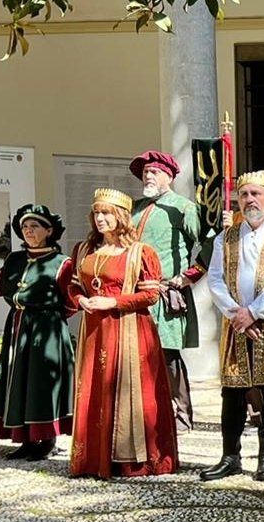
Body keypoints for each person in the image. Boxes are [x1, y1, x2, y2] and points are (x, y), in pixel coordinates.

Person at [68, 188, 179, 479]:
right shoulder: (83, 250)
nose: (100, 219)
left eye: (106, 213)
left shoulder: (140, 253)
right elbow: (73, 285)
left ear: (121, 217)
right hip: (94, 330)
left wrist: (113, 301)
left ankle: (132, 460)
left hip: (130, 330)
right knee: (95, 388)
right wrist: (80, 300)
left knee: (131, 391)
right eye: (96, 213)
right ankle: (94, 458)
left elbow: (151, 296)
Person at [201, 170, 264, 482]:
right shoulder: (227, 235)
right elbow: (215, 277)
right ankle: (230, 456)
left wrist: (255, 312)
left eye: (256, 194)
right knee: (232, 392)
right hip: (236, 323)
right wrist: (236, 314)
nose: (248, 200)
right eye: (244, 195)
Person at [0, 204, 75, 461]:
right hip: (16, 327)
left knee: (41, 382)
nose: (28, 231)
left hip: (46, 331)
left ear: (49, 230)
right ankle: (25, 438)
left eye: (34, 226)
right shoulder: (14, 260)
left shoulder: (62, 263)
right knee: (19, 381)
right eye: (25, 227)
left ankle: (46, 438)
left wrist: (49, 319)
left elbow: (71, 302)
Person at [128, 150, 201, 432]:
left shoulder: (183, 207)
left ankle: (181, 415)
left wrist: (189, 276)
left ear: (168, 176)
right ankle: (144, 413)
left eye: (154, 172)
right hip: (134, 293)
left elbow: (209, 242)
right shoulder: (132, 209)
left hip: (166, 292)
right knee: (136, 354)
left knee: (167, 355)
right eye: (145, 172)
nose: (148, 176)